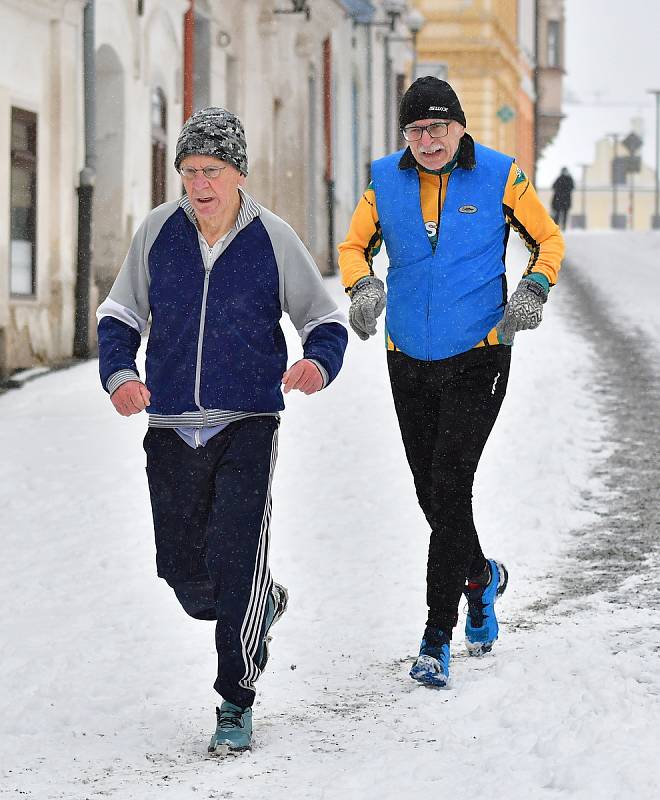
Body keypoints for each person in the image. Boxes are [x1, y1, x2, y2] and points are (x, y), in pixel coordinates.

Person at [97, 107, 347, 752]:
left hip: (248, 423)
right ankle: (257, 604)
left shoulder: (273, 238)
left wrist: (317, 363)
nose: (199, 183)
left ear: (238, 173)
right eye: (188, 171)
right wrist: (120, 373)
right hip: (171, 423)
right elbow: (120, 311)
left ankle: (235, 698)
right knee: (183, 573)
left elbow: (324, 320)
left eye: (211, 170)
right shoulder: (157, 231)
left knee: (237, 560)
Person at [338, 77, 563, 688]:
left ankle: (436, 636)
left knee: (449, 480)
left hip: (479, 353)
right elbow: (354, 246)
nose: (427, 141)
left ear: (460, 127)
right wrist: (360, 285)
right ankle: (480, 577)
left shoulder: (500, 175)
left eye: (438, 128)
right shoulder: (384, 178)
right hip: (407, 352)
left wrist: (534, 288)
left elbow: (547, 239)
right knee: (431, 493)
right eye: (415, 131)